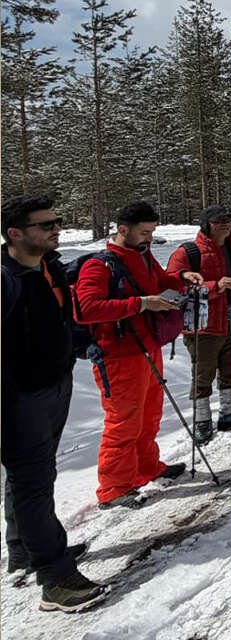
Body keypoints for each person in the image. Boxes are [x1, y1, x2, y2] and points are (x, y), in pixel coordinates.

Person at [1, 195, 105, 612]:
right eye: (46, 225)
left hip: (55, 383)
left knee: (32, 475)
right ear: (15, 233)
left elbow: (64, 316)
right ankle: (56, 580)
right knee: (33, 480)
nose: (55, 229)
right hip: (18, 397)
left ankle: (24, 550)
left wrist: (80, 347)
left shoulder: (50, 266)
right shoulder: (5, 279)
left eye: (56, 222)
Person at [73, 201, 204, 509]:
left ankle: (146, 468)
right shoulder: (98, 265)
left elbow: (160, 281)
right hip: (118, 354)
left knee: (149, 415)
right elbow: (87, 309)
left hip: (147, 346)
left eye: (152, 231)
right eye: (144, 232)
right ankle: (114, 488)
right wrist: (142, 303)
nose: (149, 238)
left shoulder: (142, 256)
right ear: (123, 229)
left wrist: (183, 277)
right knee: (124, 421)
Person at [165, 205, 231, 444]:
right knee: (203, 372)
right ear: (206, 224)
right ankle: (202, 420)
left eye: (228, 220)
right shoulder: (188, 252)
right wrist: (213, 287)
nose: (225, 224)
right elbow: (172, 287)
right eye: (218, 221)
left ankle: (228, 412)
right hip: (204, 323)